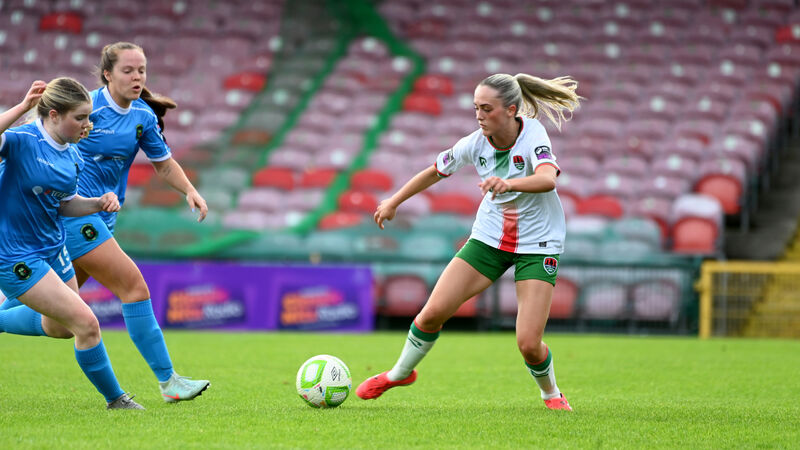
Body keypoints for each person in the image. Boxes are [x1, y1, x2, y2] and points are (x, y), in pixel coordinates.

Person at [355, 73, 582, 411]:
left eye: (486, 109)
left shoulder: (533, 133)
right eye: (476, 108)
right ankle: (398, 373)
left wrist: (509, 184)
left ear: (511, 110)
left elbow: (548, 179)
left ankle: (551, 394)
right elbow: (434, 170)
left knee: (528, 344)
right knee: (431, 314)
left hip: (538, 244)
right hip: (489, 239)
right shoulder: (474, 143)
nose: (479, 115)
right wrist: (394, 201)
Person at [0, 42, 210, 403]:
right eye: (128, 70)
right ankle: (168, 381)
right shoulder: (83, 108)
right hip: (73, 222)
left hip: (94, 215)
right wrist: (24, 109)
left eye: (141, 70)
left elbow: (162, 165)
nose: (137, 77)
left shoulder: (142, 116)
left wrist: (189, 190)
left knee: (59, 323)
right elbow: (41, 146)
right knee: (133, 288)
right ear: (107, 74)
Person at [0, 78, 144, 409]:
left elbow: (63, 205)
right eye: (80, 117)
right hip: (15, 255)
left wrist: (97, 203)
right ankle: (117, 400)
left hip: (53, 248)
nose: (87, 124)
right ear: (53, 114)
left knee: (61, 328)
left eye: (89, 117)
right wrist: (22, 107)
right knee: (86, 324)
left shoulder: (73, 156)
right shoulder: (22, 140)